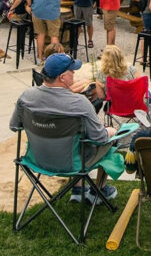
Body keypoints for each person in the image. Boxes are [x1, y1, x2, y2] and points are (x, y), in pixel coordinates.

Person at [10, 53, 118, 201]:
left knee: (75, 141)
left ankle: (78, 189)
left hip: (37, 159)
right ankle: (98, 192)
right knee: (109, 139)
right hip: (71, 163)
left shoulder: (26, 97)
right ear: (62, 77)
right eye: (72, 71)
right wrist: (110, 131)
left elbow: (14, 127)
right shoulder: (80, 103)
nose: (74, 73)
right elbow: (99, 138)